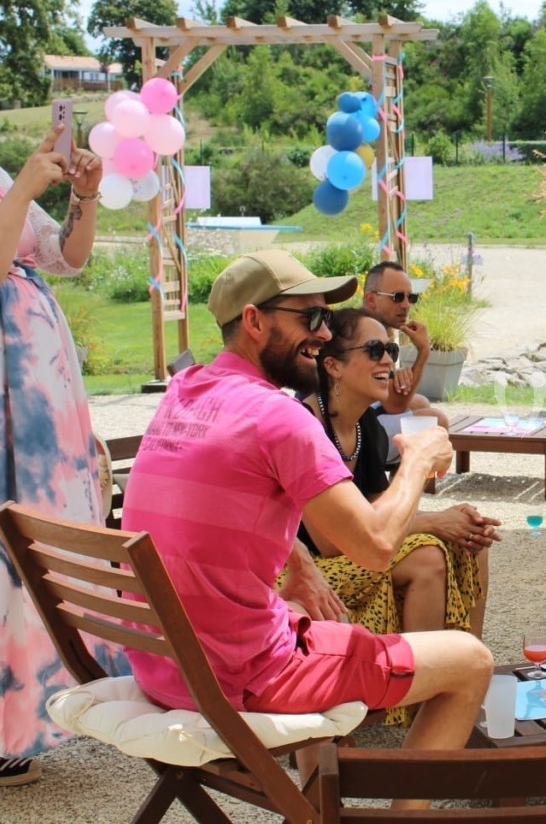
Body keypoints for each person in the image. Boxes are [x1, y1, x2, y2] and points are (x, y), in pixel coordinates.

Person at [120, 251, 491, 783]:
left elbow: (210, 504)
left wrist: (299, 560)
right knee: (471, 660)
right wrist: (416, 461)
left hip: (166, 665)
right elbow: (374, 546)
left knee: (316, 620)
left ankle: (317, 806)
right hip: (242, 674)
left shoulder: (186, 392)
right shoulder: (279, 416)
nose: (323, 334)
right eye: (310, 318)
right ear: (254, 321)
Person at [284, 308, 501, 726]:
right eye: (375, 349)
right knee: (428, 557)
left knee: (470, 541)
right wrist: (434, 520)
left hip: (354, 547)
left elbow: (376, 498)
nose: (388, 360)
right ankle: (420, 698)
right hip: (302, 567)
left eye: (390, 348)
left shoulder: (366, 424)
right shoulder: (305, 425)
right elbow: (332, 539)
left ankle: (468, 674)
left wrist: (450, 519)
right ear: (333, 365)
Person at [0, 128, 129, 787]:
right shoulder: (9, 181)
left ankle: (28, 716)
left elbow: (66, 256)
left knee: (40, 549)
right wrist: (24, 185)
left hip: (37, 394)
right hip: (6, 397)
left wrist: (85, 194)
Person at [361, 261, 449, 428]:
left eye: (411, 297)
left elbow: (394, 398)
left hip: (363, 411)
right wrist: (423, 350)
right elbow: (396, 406)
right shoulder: (363, 335)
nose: (406, 305)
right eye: (397, 297)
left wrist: (395, 377)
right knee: (437, 421)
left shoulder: (373, 329)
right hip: (347, 426)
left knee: (420, 402)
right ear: (371, 299)